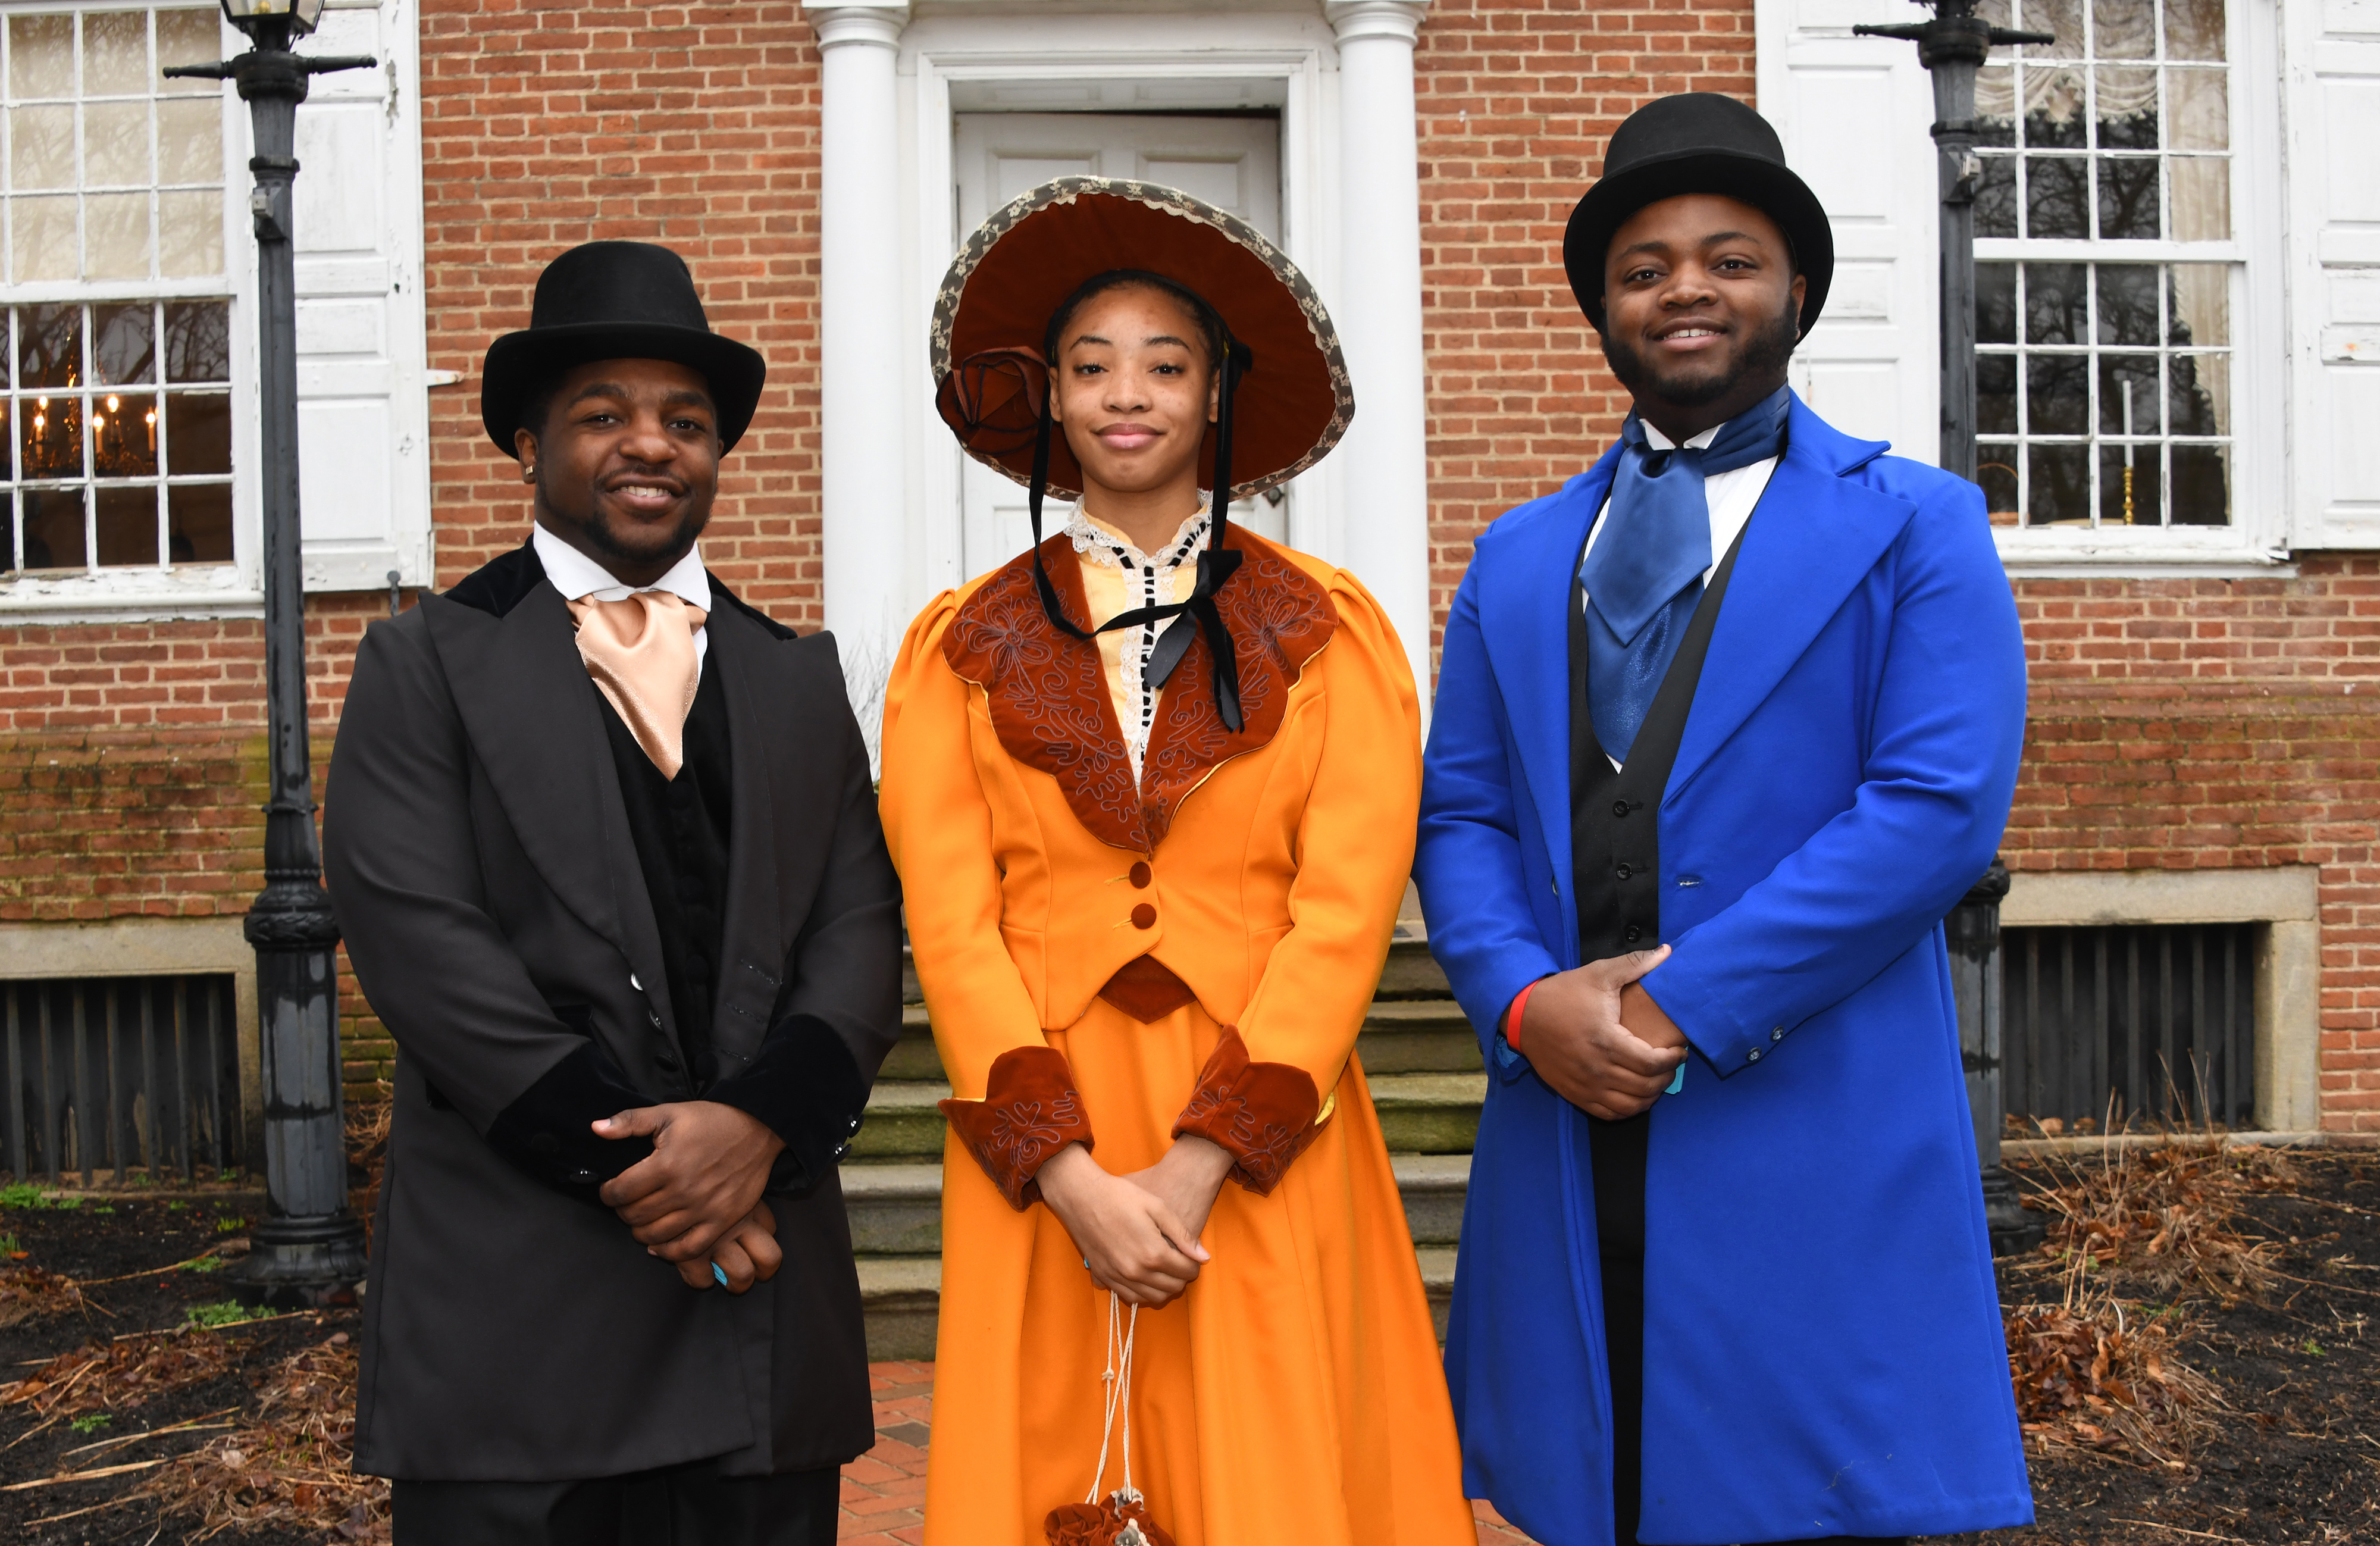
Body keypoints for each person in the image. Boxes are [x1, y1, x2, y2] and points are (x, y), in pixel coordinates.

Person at [1413, 95, 2035, 1546]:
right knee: (1589, 1483)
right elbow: (1461, 814)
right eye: (1642, 268)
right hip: (1564, 1110)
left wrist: (1684, 1004)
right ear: (1604, 309)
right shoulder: (1513, 554)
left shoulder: (1918, 523)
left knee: (1797, 1495)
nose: (1683, 288)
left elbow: (1934, 810)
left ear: (1793, 290)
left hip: (1804, 1097)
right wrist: (1518, 1006)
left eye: (1727, 257)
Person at [879, 178, 1473, 1546]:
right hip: (1045, 1121)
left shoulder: (1325, 632)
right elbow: (951, 921)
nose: (1123, 395)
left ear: (1215, 396)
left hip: (1265, 1116)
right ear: (1050, 402)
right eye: (1088, 368)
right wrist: (1069, 1174)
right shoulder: (956, 645)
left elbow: (1343, 908)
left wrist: (1206, 1158)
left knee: (1273, 1462)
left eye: (1164, 363)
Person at [325, 240, 903, 1546]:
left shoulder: (795, 678)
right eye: (603, 415)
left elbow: (856, 936)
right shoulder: (425, 663)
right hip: (527, 1302)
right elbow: (424, 949)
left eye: (684, 423)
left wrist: (758, 1134)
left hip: (760, 1301)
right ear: (528, 445)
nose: (649, 445)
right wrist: (672, 1182)